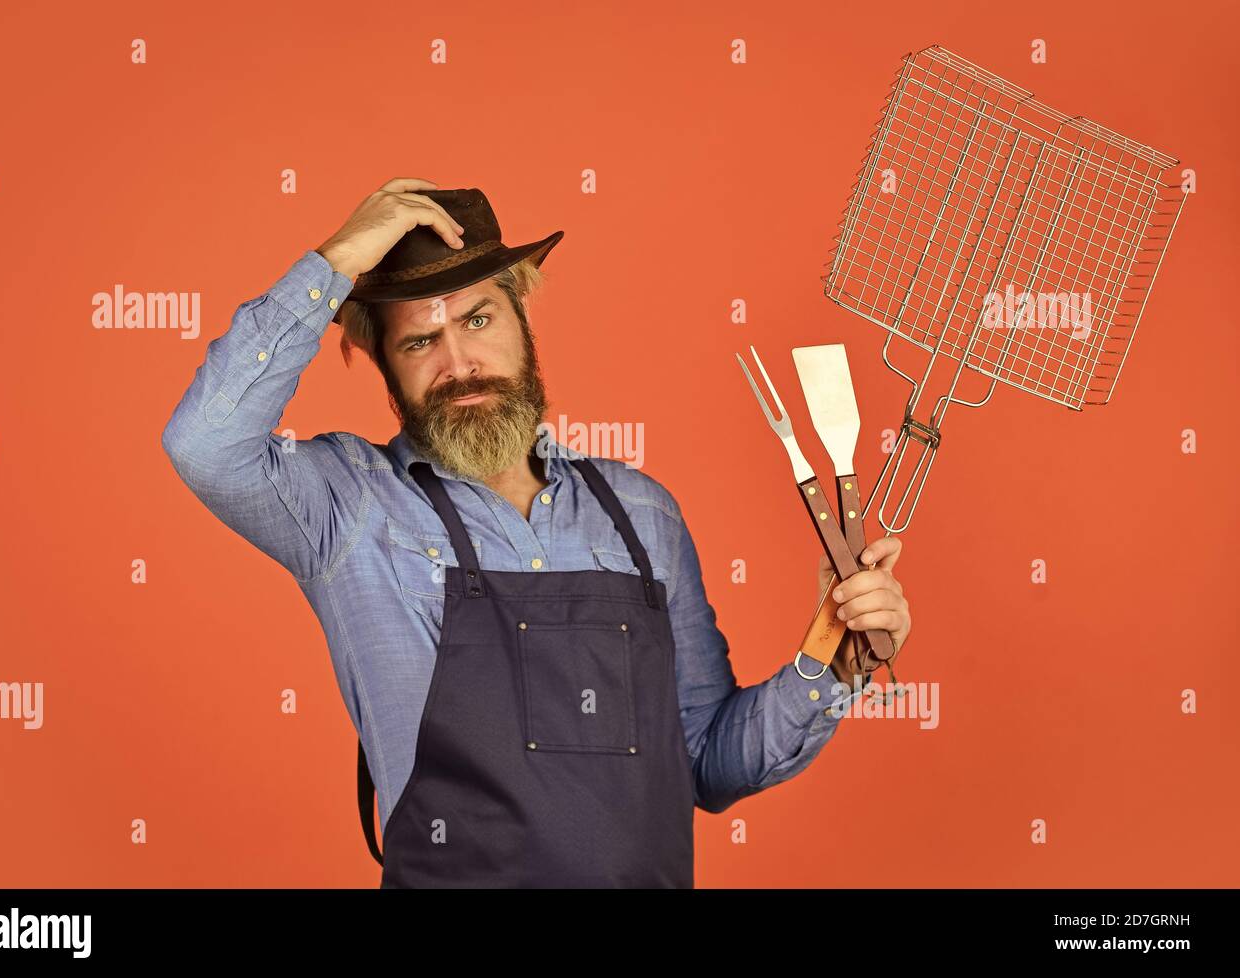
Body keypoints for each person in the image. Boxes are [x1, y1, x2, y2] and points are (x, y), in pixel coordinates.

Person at [160, 177, 913, 888]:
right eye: (419, 341)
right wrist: (336, 264)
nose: (459, 363)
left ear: (522, 318)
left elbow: (707, 763)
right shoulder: (349, 507)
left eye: (478, 319)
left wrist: (829, 657)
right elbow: (205, 444)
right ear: (386, 369)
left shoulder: (641, 513)